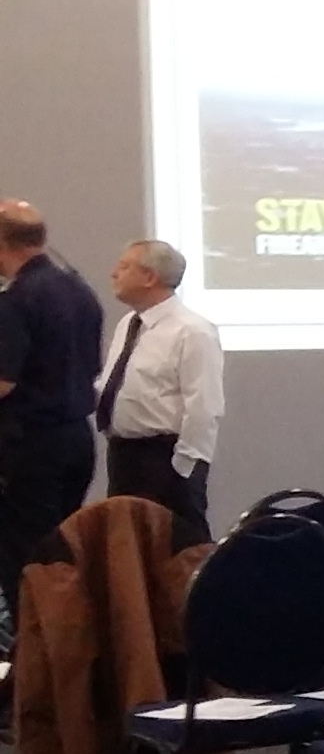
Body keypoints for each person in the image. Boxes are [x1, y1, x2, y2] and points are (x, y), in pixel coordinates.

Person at [0, 200, 108, 604]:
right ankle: (66, 653)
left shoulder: (17, 299)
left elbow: (4, 382)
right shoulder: (80, 291)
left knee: (26, 558)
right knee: (62, 555)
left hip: (29, 445)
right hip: (76, 440)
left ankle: (34, 659)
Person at [95, 239, 224, 549]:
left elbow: (204, 405)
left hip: (165, 457)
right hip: (124, 453)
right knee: (129, 547)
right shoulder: (130, 323)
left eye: (125, 267)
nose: (114, 273)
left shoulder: (192, 330)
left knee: (179, 549)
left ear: (150, 277)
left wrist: (184, 467)